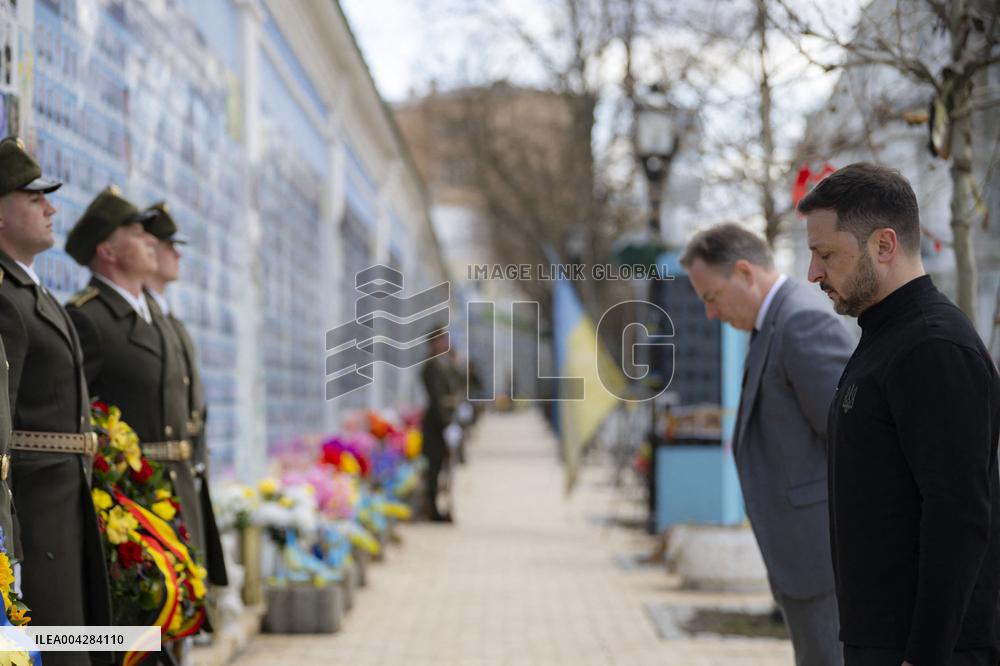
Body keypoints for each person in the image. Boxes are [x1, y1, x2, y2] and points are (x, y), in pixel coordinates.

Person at [800, 163, 1000, 666]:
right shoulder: (885, 338)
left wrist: (924, 655)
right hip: (880, 640)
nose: (813, 273)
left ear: (884, 245)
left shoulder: (932, 346)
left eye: (826, 254)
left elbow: (959, 516)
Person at [680, 223, 851, 666]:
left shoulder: (801, 322)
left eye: (712, 297)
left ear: (744, 272)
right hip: (806, 563)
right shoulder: (774, 324)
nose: (710, 314)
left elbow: (855, 442)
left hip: (826, 565)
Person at [0, 136, 111, 665]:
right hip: (32, 516)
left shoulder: (32, 293)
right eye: (34, 198)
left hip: (62, 508)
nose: (51, 209)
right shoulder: (6, 297)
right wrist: (9, 541)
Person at [142, 201, 228, 590]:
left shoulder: (167, 319)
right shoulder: (146, 318)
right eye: (168, 245)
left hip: (184, 466)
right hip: (155, 475)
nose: (177, 255)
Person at [420, 332, 457, 522]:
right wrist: (446, 423)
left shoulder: (444, 363)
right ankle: (432, 509)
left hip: (445, 421)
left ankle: (437, 508)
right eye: (442, 340)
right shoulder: (431, 366)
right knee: (434, 467)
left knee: (443, 466)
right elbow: (437, 398)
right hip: (437, 425)